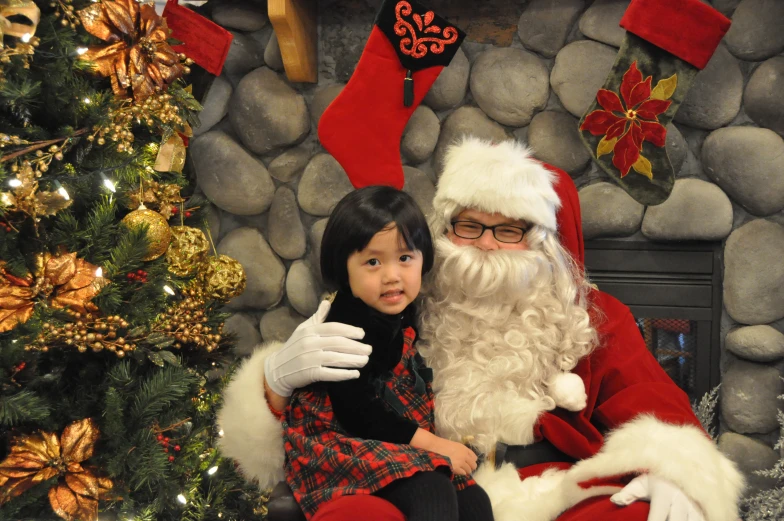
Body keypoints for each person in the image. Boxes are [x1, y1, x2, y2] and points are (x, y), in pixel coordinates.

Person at [218, 138, 743, 521]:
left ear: (541, 241)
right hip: (420, 480)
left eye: (509, 229)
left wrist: (680, 470)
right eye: (470, 226)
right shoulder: (407, 305)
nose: (487, 246)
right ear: (444, 233)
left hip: (550, 487)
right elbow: (326, 411)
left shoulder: (588, 314)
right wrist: (274, 384)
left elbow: (652, 401)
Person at [282, 186, 494, 521]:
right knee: (432, 488)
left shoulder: (399, 309)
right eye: (372, 262)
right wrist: (435, 444)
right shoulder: (346, 326)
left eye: (405, 258)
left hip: (385, 426)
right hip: (336, 438)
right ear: (344, 269)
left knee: (473, 498)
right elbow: (358, 412)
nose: (392, 276)